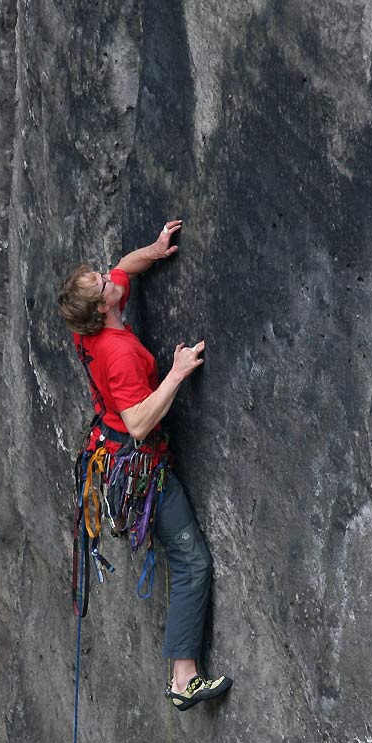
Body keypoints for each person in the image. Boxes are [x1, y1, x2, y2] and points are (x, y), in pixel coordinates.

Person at [58, 219, 232, 712]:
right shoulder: (118, 355)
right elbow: (137, 422)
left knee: (187, 559)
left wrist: (155, 251)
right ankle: (183, 679)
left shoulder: (91, 332)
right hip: (138, 471)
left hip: (110, 459)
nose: (109, 277)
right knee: (192, 561)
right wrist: (175, 374)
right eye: (101, 283)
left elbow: (123, 267)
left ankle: (183, 674)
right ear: (102, 306)